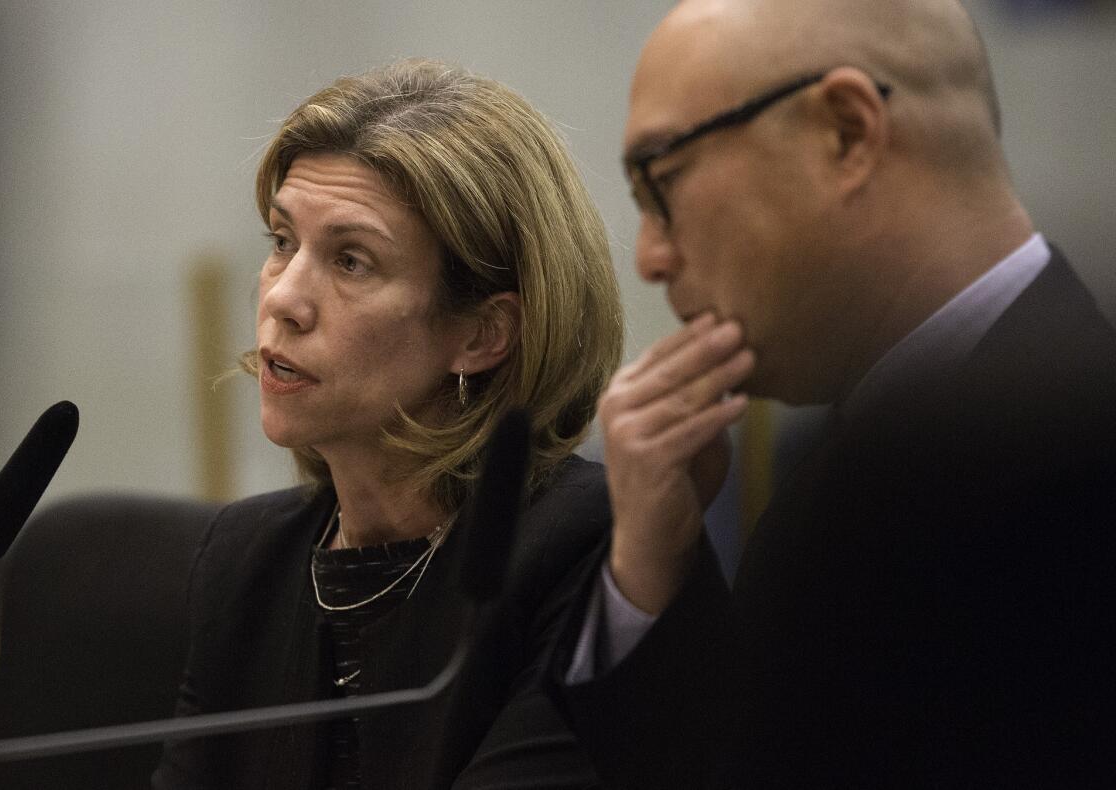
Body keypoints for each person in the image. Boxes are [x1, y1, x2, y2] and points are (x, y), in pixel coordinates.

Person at [548, 0, 1116, 787]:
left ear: (845, 132)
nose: (647, 257)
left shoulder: (1067, 471)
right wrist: (650, 565)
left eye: (662, 179)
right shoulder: (842, 463)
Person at [152, 59, 623, 789]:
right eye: (282, 241)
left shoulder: (581, 547)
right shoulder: (248, 562)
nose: (284, 299)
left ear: (481, 334)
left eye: (351, 261)